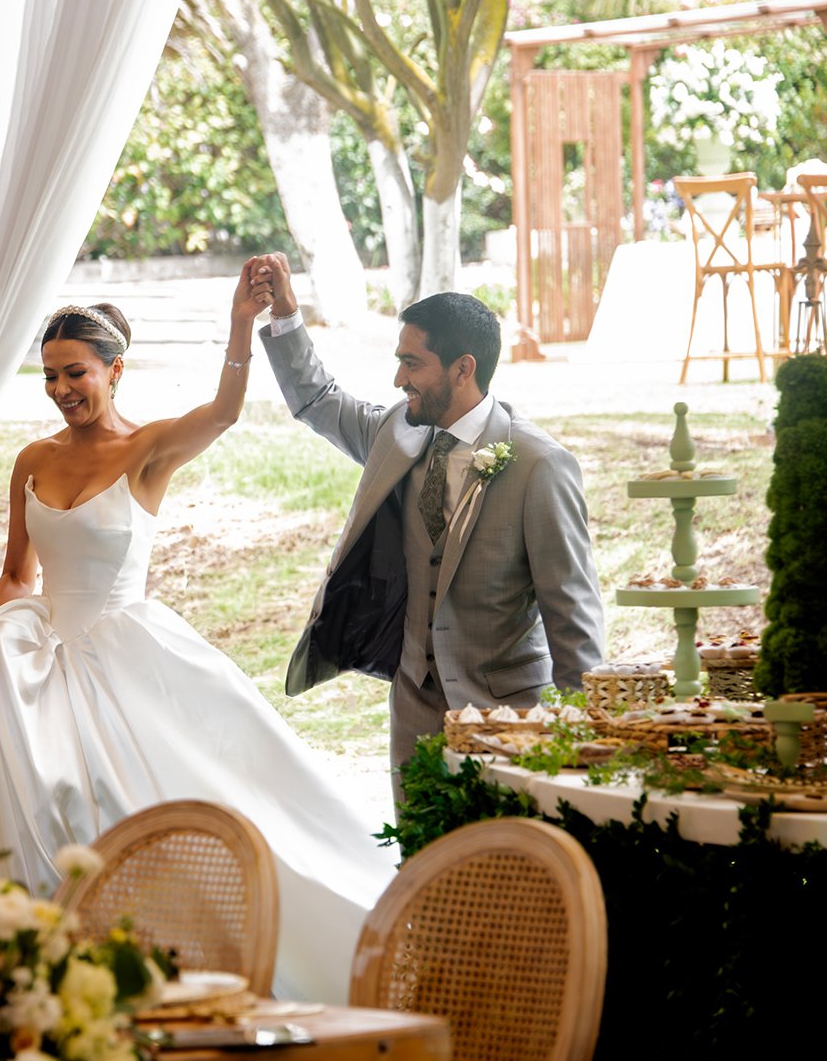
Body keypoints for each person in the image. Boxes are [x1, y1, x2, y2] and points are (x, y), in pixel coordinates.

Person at [0, 266, 397, 1003]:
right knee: (12, 787)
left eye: (76, 373)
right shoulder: (33, 459)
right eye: (50, 376)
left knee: (137, 799)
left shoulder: (149, 449)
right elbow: (17, 575)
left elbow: (224, 412)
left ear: (115, 370)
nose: (61, 389)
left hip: (125, 652)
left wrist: (240, 323)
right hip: (36, 651)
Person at [255, 253, 604, 801]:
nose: (399, 379)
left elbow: (572, 612)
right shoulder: (398, 433)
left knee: (507, 851)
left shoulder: (540, 465)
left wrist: (582, 738)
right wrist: (285, 315)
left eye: (412, 364)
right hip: (415, 707)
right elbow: (318, 400)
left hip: (510, 715)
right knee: (421, 849)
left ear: (463, 369)